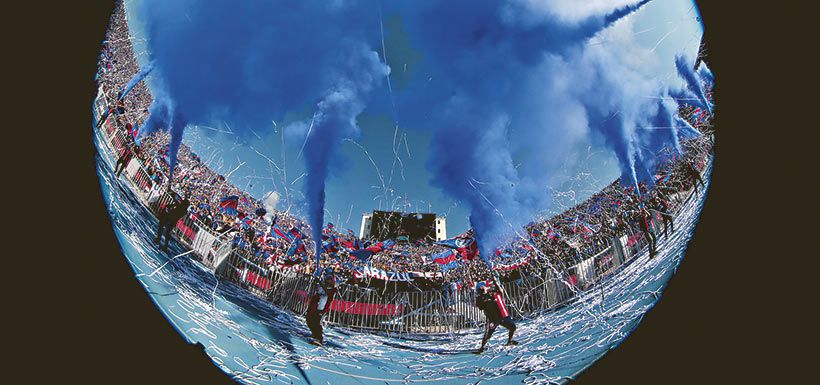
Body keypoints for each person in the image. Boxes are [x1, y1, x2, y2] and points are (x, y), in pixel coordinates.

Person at [474, 281, 518, 354]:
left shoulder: (493, 293)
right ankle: (482, 347)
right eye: (481, 287)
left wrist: (496, 282)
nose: (483, 288)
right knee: (489, 332)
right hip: (493, 318)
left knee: (513, 327)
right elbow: (480, 306)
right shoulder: (480, 298)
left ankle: (510, 341)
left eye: (483, 287)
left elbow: (500, 291)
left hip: (502, 315)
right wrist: (485, 298)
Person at [306, 272, 337, 346]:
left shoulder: (333, 290)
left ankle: (319, 338)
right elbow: (318, 293)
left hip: (322, 308)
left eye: (329, 281)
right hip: (315, 306)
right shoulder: (322, 287)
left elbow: (328, 293)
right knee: (309, 319)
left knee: (317, 322)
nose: (327, 282)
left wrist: (320, 283)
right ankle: (314, 334)